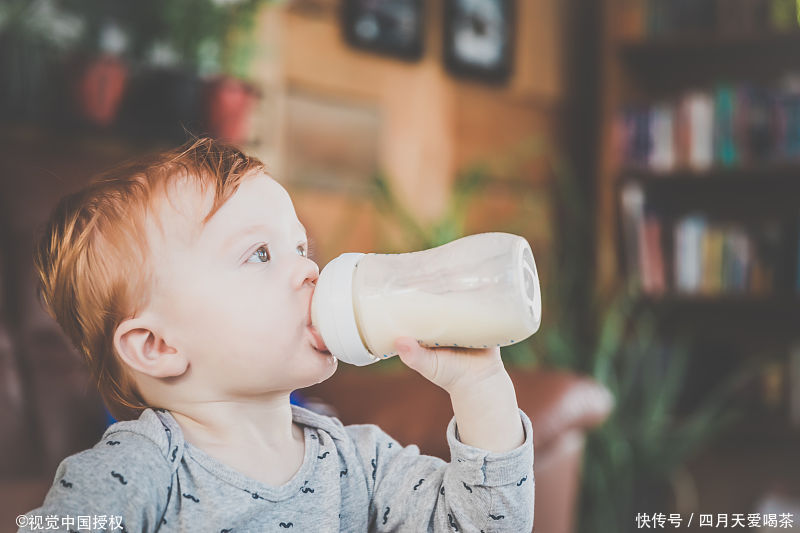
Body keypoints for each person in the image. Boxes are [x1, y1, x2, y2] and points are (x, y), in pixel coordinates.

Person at [19, 138, 534, 532]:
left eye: (300, 247)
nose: (310, 271)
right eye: (259, 254)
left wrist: (480, 385)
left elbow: (484, 523)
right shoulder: (133, 471)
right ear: (159, 346)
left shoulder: (361, 461)